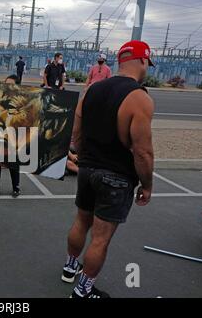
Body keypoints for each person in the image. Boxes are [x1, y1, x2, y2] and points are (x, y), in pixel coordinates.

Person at [61, 40, 155, 298]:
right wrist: (147, 184)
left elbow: (76, 134)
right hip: (116, 176)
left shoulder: (91, 90)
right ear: (143, 61)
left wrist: (83, 158)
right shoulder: (140, 98)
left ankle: (70, 267)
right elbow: (142, 151)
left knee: (81, 221)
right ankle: (83, 290)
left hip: (88, 170)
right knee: (101, 239)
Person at [0, 75, 21, 198]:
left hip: (13, 132)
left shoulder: (20, 98)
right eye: (5, 83)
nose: (7, 86)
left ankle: (16, 186)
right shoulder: (0, 96)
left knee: (13, 161)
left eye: (10, 84)